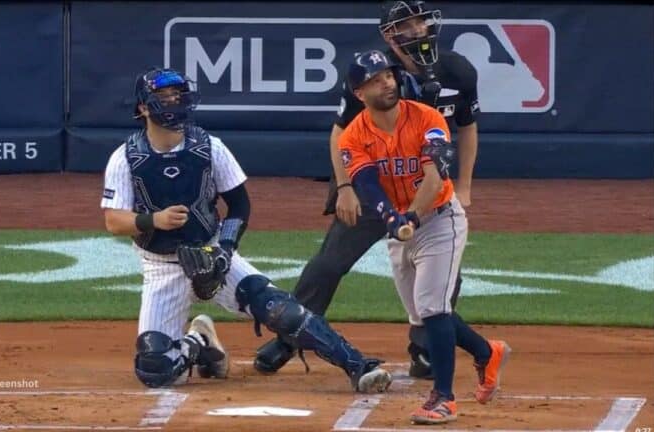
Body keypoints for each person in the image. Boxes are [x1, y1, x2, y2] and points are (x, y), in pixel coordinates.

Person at [100, 67, 393, 393]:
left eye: (177, 94)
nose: (174, 102)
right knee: (155, 368)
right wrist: (152, 220)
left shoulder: (209, 147)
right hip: (163, 265)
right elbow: (114, 221)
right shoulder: (126, 158)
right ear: (143, 107)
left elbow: (239, 205)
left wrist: (224, 250)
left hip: (212, 250)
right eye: (164, 97)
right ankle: (199, 342)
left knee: (282, 311)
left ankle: (357, 365)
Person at [254, 0, 480, 380]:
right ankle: (292, 336)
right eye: (408, 25)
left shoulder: (458, 71)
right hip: (373, 184)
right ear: (391, 38)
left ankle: (425, 349)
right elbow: (342, 132)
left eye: (421, 21)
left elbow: (468, 127)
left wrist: (465, 186)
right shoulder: (372, 75)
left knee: (443, 272)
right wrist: (344, 185)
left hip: (426, 190)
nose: (419, 29)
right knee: (328, 263)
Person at [338, 49, 509, 424]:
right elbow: (367, 185)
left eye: (387, 75)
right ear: (358, 93)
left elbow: (436, 176)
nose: (386, 82)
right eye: (374, 79)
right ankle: (486, 352)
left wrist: (412, 215)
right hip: (401, 225)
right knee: (423, 315)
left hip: (439, 218)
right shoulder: (352, 137)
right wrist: (391, 217)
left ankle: (443, 398)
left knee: (432, 306)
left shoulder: (427, 118)